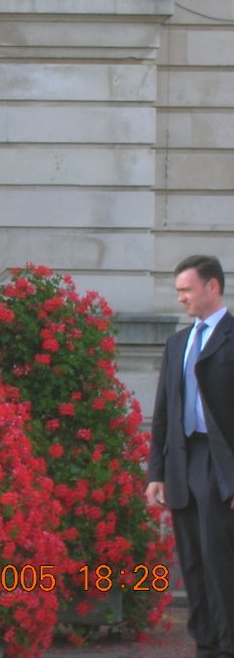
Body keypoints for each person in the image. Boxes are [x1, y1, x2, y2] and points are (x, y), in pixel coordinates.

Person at [147, 254, 234, 657]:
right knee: (193, 560)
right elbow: (163, 412)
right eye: (178, 290)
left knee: (220, 559)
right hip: (183, 461)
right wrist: (156, 473)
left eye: (186, 289)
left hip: (221, 462)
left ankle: (226, 641)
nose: (180, 297)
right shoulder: (177, 343)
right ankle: (206, 641)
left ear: (212, 287)